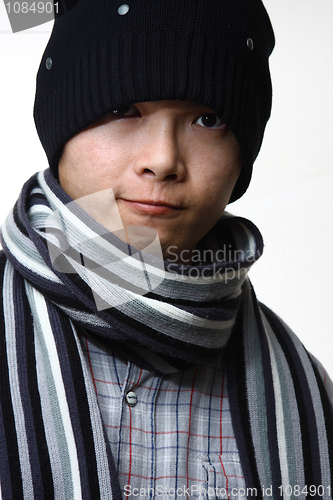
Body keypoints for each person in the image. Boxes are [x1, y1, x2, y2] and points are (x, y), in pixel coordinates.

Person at [0, 0, 332, 499]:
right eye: (121, 109)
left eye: (209, 119)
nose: (163, 161)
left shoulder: (307, 393)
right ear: (58, 128)